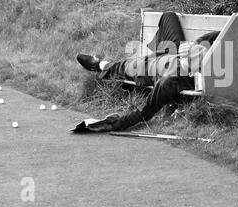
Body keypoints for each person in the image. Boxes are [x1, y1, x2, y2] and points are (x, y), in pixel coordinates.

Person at [75, 12, 219, 133]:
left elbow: (147, 109)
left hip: (146, 68)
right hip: (170, 51)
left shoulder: (170, 81)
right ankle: (160, 50)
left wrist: (117, 123)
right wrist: (194, 45)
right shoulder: (196, 53)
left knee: (125, 66)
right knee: (168, 16)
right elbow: (218, 35)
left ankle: (100, 65)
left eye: (184, 59)